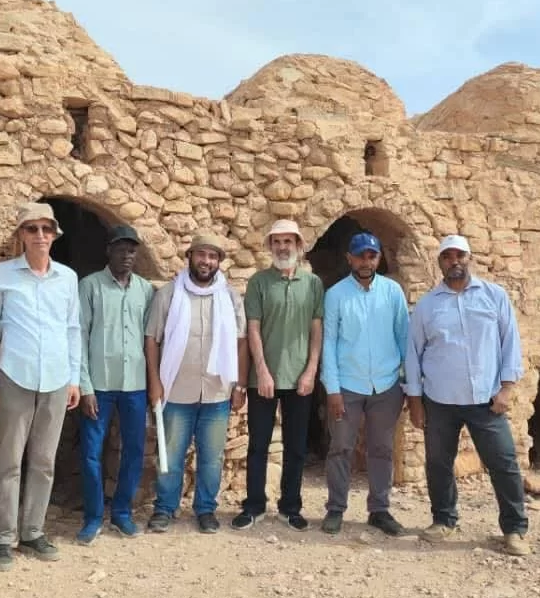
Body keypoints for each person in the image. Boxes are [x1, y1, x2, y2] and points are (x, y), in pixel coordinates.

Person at [405, 234, 531, 556]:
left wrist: (506, 389)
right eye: (447, 257)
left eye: (459, 255)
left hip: (486, 401)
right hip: (440, 401)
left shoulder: (494, 296)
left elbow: (510, 343)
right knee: (438, 464)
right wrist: (415, 402)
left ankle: (515, 529)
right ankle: (443, 520)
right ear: (440, 262)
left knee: (503, 463)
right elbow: (413, 355)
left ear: (469, 258)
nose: (454, 262)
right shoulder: (427, 306)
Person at [0, 202, 82, 572]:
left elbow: (72, 329)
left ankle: (32, 531)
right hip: (14, 375)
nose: (40, 235)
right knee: (8, 460)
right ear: (21, 235)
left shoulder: (67, 278)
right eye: (32, 228)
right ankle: (2, 538)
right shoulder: (0, 275)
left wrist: (75, 378)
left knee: (43, 461)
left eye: (46, 228)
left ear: (55, 234)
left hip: (56, 378)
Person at [144, 232, 247, 534]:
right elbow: (151, 340)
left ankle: (205, 509)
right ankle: (165, 508)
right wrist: (154, 382)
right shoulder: (169, 294)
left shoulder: (230, 297)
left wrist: (239, 385)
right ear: (190, 257)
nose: (206, 261)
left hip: (217, 391)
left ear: (219, 262)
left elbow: (241, 342)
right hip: (176, 389)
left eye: (213, 256)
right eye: (201, 254)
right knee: (171, 454)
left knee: (212, 457)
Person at [232, 220, 323, 531]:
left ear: (298, 246)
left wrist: (311, 370)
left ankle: (290, 507)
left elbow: (316, 329)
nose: (282, 247)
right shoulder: (259, 282)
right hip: (263, 379)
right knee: (258, 445)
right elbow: (253, 328)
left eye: (288, 241)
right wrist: (262, 371)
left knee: (296, 447)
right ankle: (254, 506)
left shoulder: (313, 284)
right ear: (270, 246)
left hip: (300, 379)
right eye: (277, 242)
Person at [319, 232, 409, 537]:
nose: (366, 262)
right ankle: (336, 509)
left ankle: (379, 510)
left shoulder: (392, 292)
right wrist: (332, 389)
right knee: (340, 447)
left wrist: (407, 382)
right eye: (360, 256)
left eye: (371, 256)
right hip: (347, 385)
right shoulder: (336, 295)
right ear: (350, 259)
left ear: (379, 258)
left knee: (381, 448)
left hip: (386, 385)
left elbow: (404, 337)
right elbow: (329, 343)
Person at [75, 225, 154, 544]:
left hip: (135, 384)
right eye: (121, 249)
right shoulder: (90, 286)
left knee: (134, 450)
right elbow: (79, 336)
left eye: (132, 250)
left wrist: (154, 383)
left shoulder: (145, 290)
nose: (127, 255)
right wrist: (85, 387)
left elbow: (151, 339)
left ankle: (122, 513)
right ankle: (93, 516)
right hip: (99, 385)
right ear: (108, 251)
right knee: (91, 452)